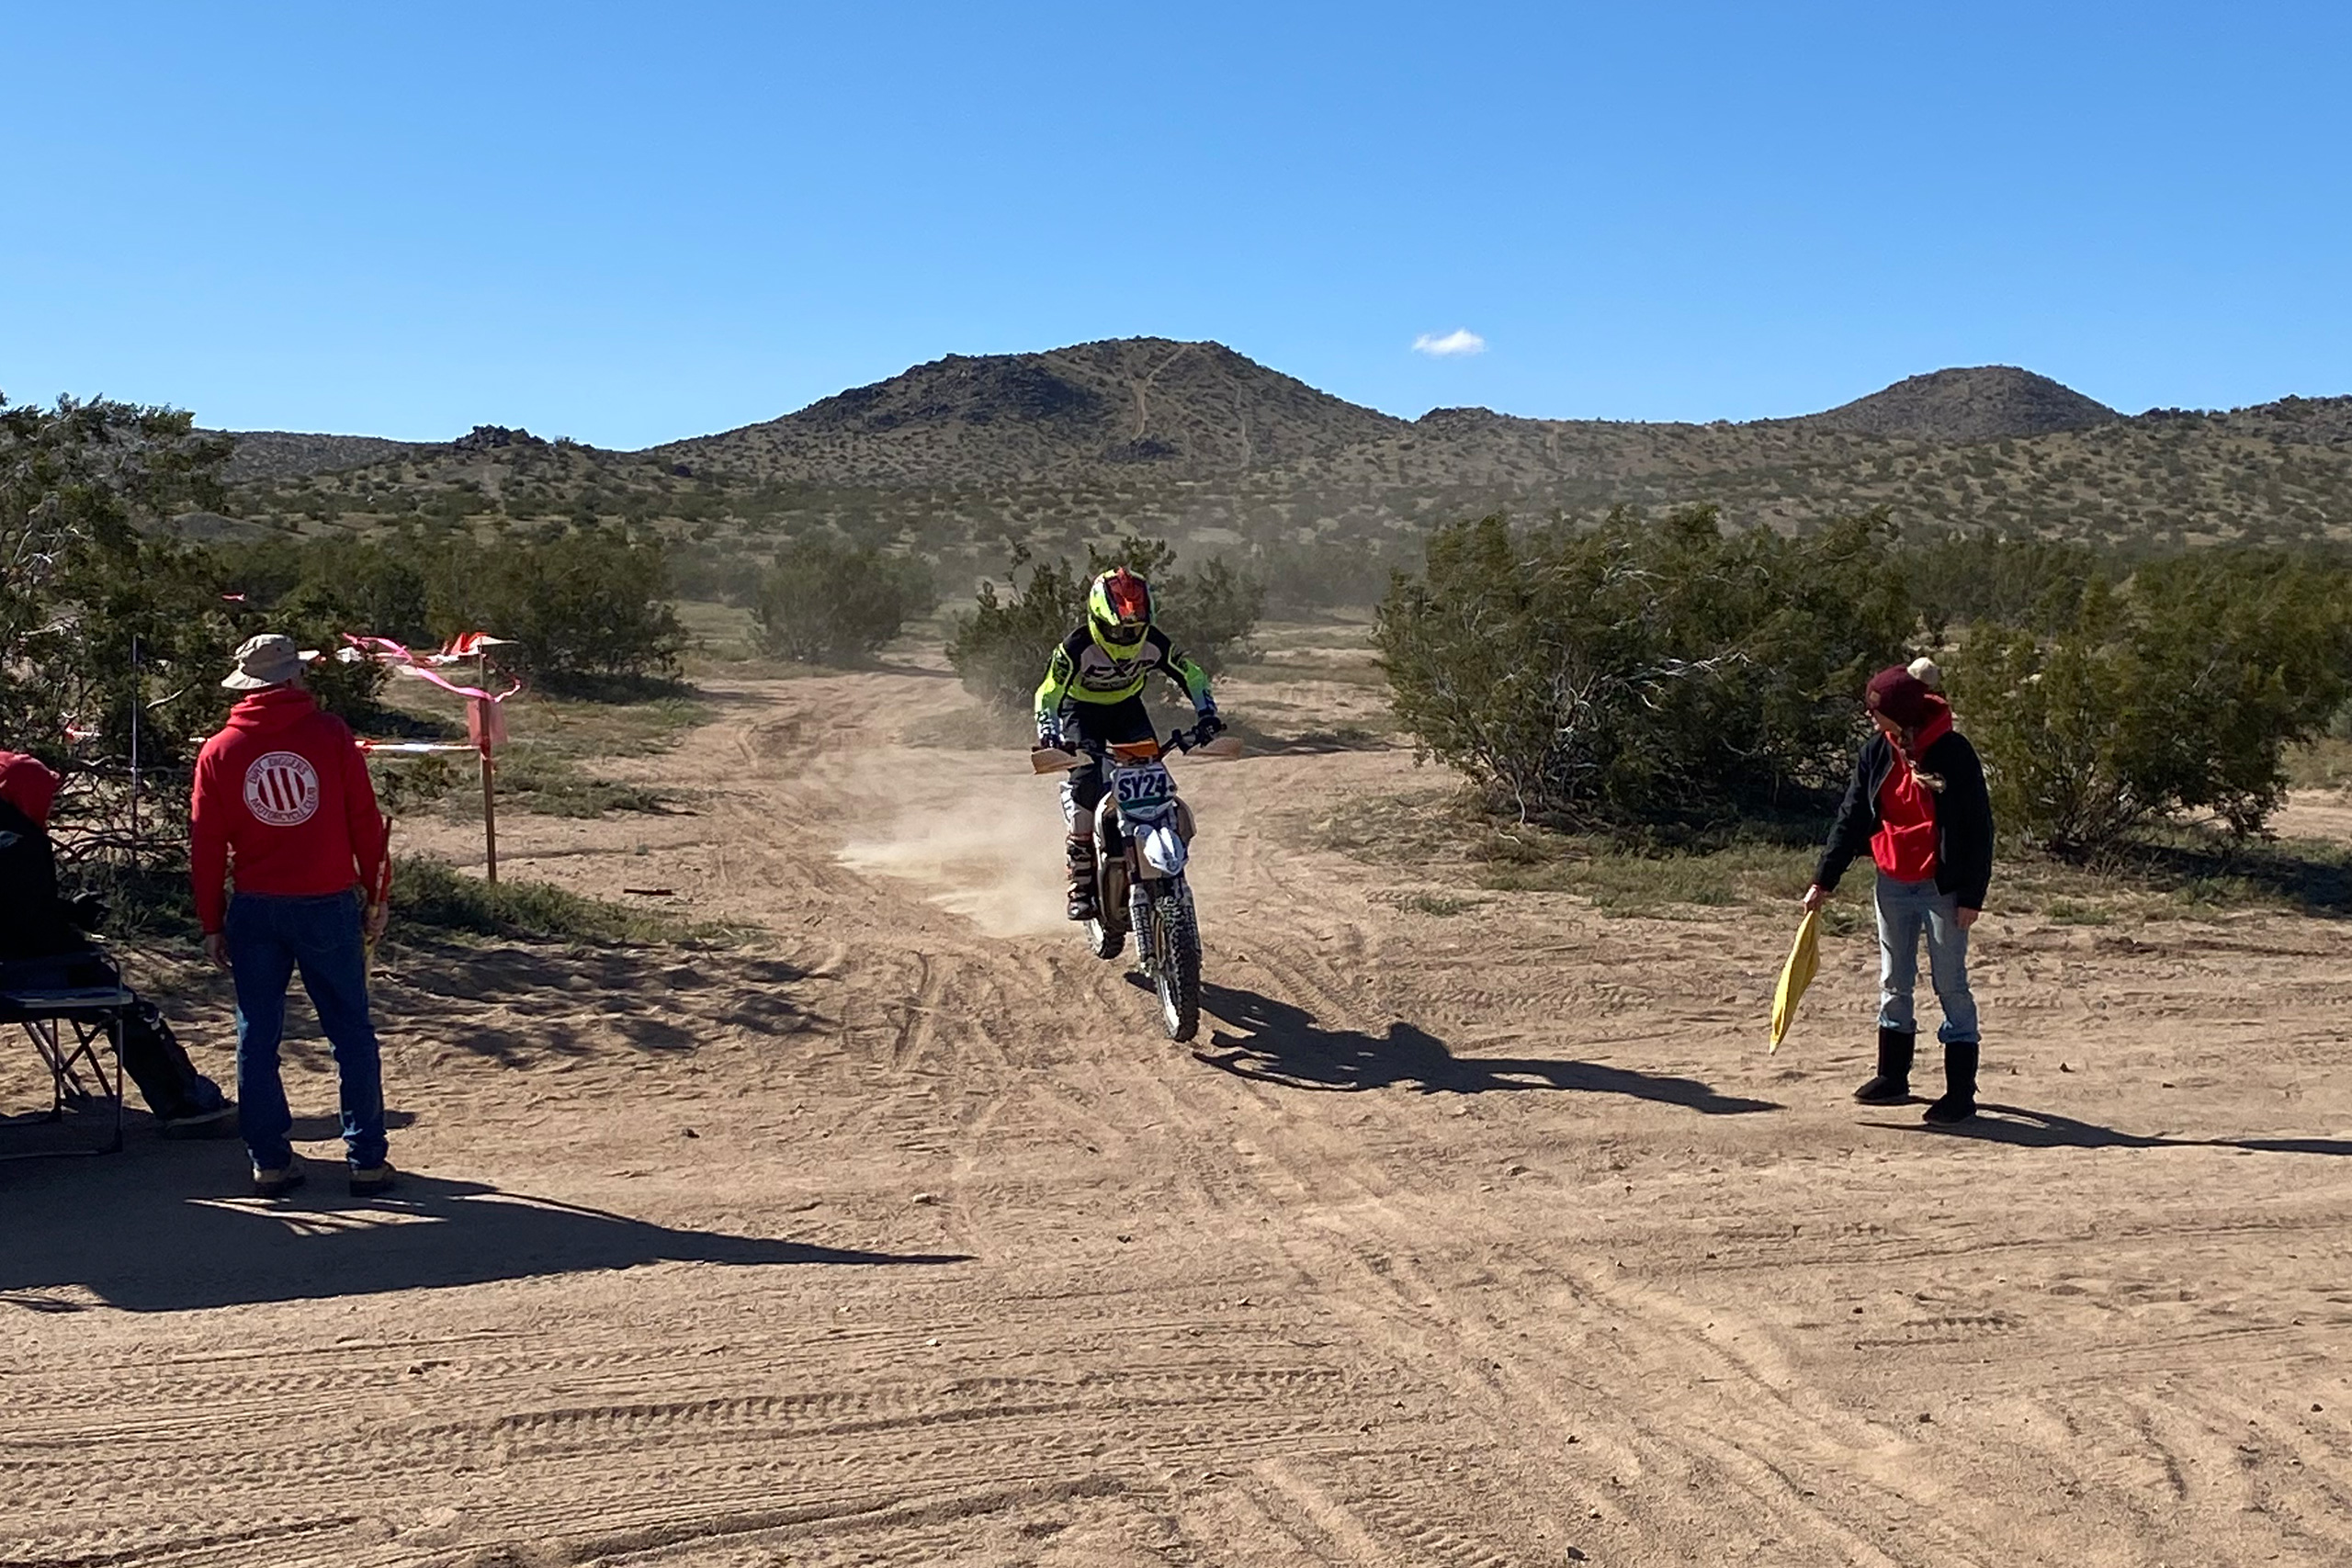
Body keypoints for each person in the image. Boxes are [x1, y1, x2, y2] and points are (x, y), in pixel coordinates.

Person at [190, 635, 395, 1198]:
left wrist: (212, 921)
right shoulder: (328, 734)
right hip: (326, 903)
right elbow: (363, 819)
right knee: (350, 1031)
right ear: (291, 679)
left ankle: (270, 1161)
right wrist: (378, 893)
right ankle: (367, 1160)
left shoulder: (219, 750)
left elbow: (206, 846)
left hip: (255, 908)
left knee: (257, 1035)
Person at [0, 750, 236, 1136]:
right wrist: (76, 937)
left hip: (12, 964)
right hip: (19, 976)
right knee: (130, 1008)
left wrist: (65, 911)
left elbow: (18, 909)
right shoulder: (21, 844)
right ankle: (187, 1104)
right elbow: (35, 932)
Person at [1802, 663, 1994, 1124]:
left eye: (1876, 711)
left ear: (1902, 714)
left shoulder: (1953, 753)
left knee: (1950, 984)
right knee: (1894, 980)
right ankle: (1893, 1076)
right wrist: (1823, 880)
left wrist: (1972, 894)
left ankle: (1960, 1093)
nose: (1871, 718)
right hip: (1892, 883)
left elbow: (1978, 828)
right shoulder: (1876, 753)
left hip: (1942, 889)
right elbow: (1851, 817)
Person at [1034, 567, 1222, 920]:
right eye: (1118, 629)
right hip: (1080, 711)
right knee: (1086, 781)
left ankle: (1165, 843)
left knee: (1151, 771)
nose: (1126, 636)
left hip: (1126, 709)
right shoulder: (1075, 648)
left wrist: (1207, 714)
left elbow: (1191, 674)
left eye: (1135, 629)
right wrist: (1050, 732)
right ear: (1096, 620)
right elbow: (1048, 693)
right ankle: (1082, 879)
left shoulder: (1156, 642)